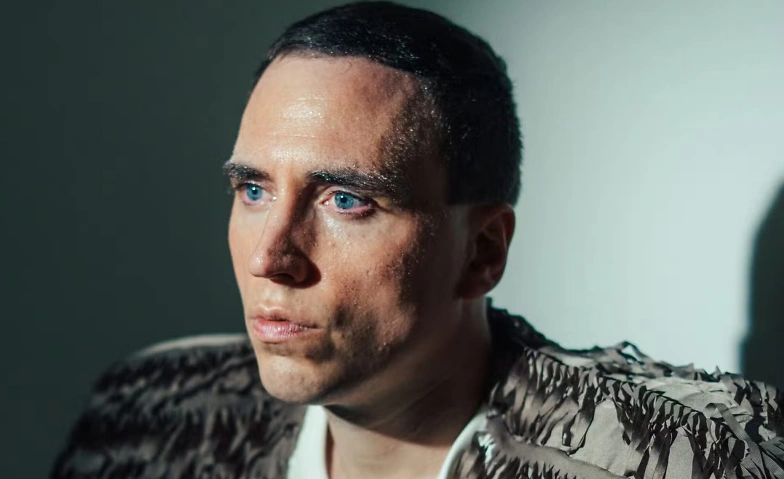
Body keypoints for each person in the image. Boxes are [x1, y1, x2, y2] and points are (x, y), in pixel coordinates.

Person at [52, 2, 783, 478]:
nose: (269, 257)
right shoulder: (148, 420)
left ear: (482, 251)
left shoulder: (676, 459)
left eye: (345, 200)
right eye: (253, 190)